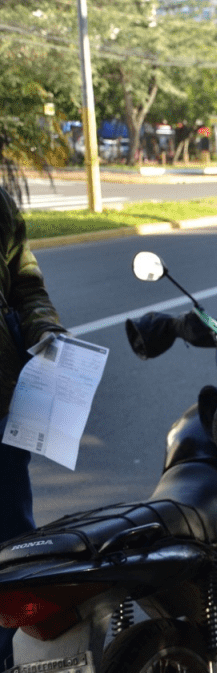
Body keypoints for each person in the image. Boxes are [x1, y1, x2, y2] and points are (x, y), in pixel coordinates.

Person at [0, 185, 66, 669]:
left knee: (14, 543)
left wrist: (45, 328)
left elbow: (24, 282)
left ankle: (12, 656)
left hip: (4, 404)